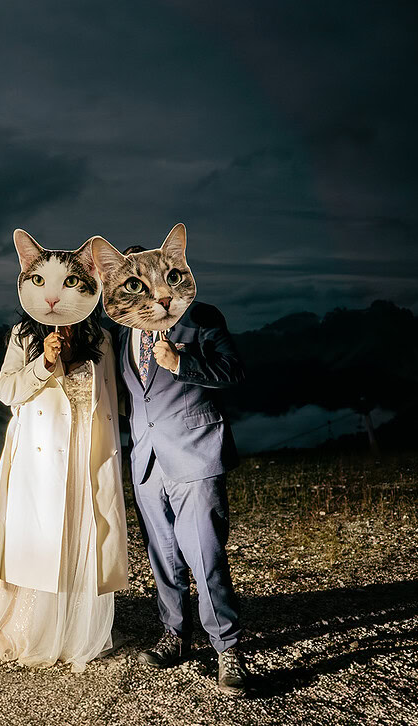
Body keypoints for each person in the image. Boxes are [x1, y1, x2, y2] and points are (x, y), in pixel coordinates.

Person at [108, 244, 252, 696]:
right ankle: (174, 636)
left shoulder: (200, 316)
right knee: (163, 555)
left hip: (195, 454)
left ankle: (228, 648)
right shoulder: (120, 332)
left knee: (205, 554)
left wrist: (181, 362)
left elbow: (233, 371)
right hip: (146, 460)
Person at [0, 310, 129, 673]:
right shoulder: (25, 334)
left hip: (88, 453)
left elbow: (114, 395)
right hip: (40, 455)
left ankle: (74, 630)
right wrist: (43, 361)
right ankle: (29, 629)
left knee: (82, 534)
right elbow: (6, 391)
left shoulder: (99, 337)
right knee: (40, 540)